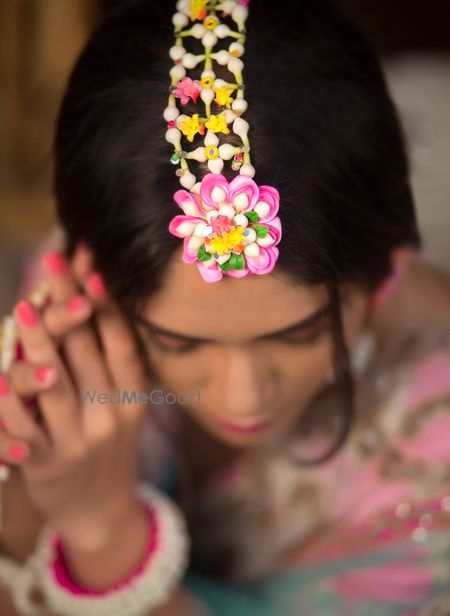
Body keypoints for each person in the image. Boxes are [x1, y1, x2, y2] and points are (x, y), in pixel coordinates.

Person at [0, 0, 449, 614]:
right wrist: (29, 479)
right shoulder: (83, 308)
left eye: (302, 333)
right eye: (180, 343)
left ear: (383, 273)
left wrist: (101, 530)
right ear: (90, 279)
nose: (242, 398)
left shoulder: (434, 458)